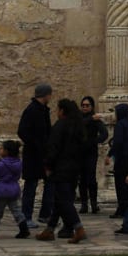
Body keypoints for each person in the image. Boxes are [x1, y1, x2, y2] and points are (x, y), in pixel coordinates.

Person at [37, 99, 88, 243]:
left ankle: (79, 228)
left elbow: (53, 148)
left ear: (62, 111)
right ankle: (49, 229)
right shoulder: (78, 127)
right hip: (74, 168)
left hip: (61, 168)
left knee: (64, 201)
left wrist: (48, 165)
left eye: (58, 109)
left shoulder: (60, 126)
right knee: (60, 200)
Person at [17, 82, 53, 229]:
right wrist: (35, 144)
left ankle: (45, 214)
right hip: (33, 154)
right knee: (31, 185)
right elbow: (22, 131)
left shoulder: (43, 110)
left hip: (43, 154)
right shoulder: (32, 110)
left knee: (50, 182)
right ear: (46, 95)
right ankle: (26, 216)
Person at [0, 139, 30, 238]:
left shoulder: (2, 163)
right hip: (13, 189)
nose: (0, 150)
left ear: (6, 151)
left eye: (2, 149)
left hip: (2, 190)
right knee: (16, 210)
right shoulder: (18, 163)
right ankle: (24, 228)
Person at [77, 96, 107, 214]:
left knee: (91, 178)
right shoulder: (79, 118)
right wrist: (90, 119)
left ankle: (94, 204)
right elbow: (78, 126)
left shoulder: (96, 120)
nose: (84, 107)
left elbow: (104, 134)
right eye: (83, 105)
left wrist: (94, 141)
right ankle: (84, 204)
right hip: (79, 152)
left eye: (87, 105)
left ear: (92, 106)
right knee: (81, 179)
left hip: (90, 152)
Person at [108, 103, 128, 220]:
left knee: (120, 185)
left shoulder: (120, 125)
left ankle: (121, 209)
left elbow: (117, 142)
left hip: (122, 158)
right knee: (127, 186)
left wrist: (109, 155)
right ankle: (126, 208)